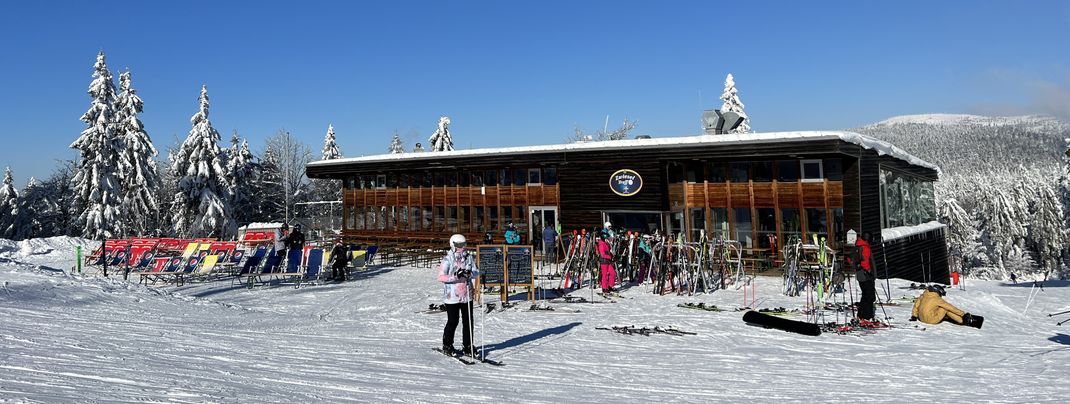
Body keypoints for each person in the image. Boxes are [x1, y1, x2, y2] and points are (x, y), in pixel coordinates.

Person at [437, 234, 480, 357]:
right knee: (453, 321)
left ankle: (468, 345)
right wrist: (455, 276)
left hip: (466, 294)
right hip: (452, 296)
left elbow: (476, 272)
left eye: (463, 245)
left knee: (468, 321)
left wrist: (470, 273)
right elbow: (441, 276)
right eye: (458, 245)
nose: (461, 248)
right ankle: (447, 344)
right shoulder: (447, 259)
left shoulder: (469, 258)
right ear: (453, 245)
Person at [910, 284, 981, 327]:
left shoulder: (923, 295)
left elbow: (916, 305)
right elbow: (951, 308)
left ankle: (949, 316)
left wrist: (914, 316)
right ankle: (963, 320)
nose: (941, 295)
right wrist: (963, 314)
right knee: (945, 308)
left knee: (936, 307)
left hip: (921, 318)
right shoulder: (937, 299)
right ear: (938, 291)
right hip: (931, 320)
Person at [846, 232, 876, 322]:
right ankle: (866, 316)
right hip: (865, 274)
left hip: (861, 274)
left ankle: (862, 315)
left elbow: (851, 259)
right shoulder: (864, 247)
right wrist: (869, 271)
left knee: (866, 294)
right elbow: (865, 261)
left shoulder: (859, 246)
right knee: (869, 295)